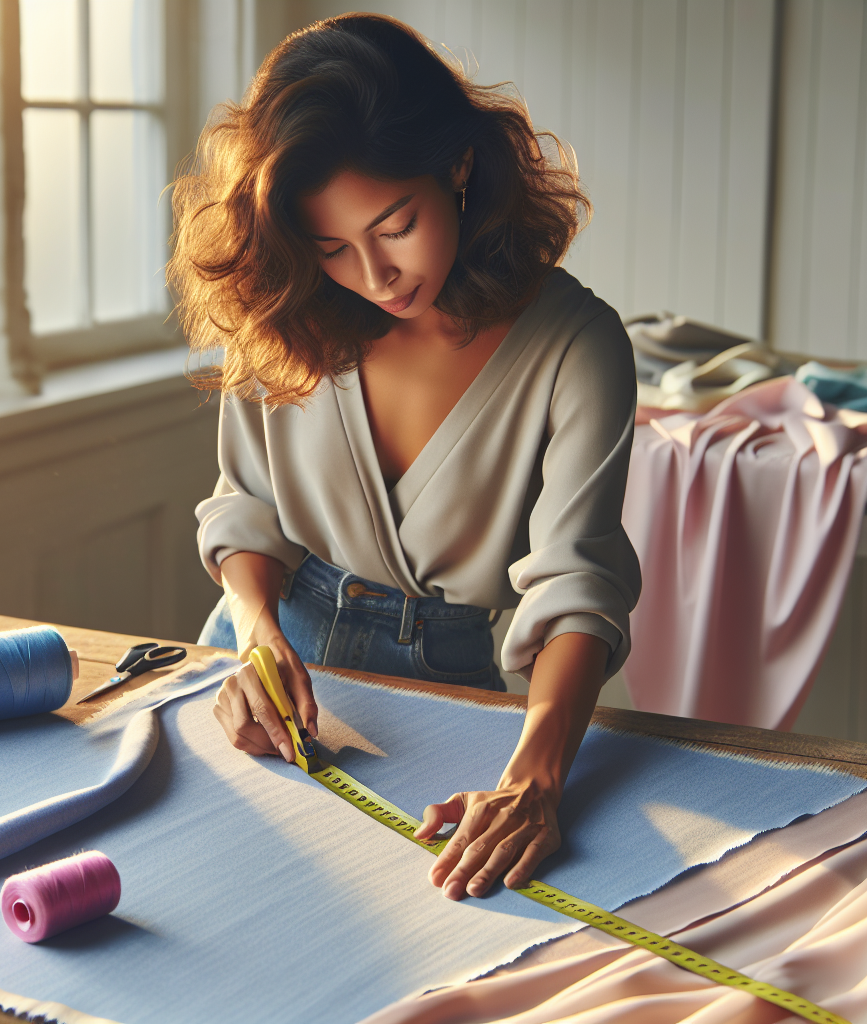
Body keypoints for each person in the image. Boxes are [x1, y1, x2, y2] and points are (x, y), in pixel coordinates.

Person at [169, 13, 640, 902]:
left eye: (396, 224)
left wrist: (534, 782)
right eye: (331, 246)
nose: (375, 274)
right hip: (275, 663)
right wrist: (253, 635)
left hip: (455, 682)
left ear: (460, 167)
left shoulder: (580, 348)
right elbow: (246, 511)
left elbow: (578, 587)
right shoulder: (288, 314)